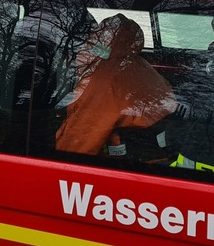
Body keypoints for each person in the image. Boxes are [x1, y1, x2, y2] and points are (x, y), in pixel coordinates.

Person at [55, 14, 178, 158]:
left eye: (92, 38)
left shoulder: (104, 83)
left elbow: (75, 147)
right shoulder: (142, 67)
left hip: (125, 167)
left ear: (100, 43)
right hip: (160, 159)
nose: (86, 44)